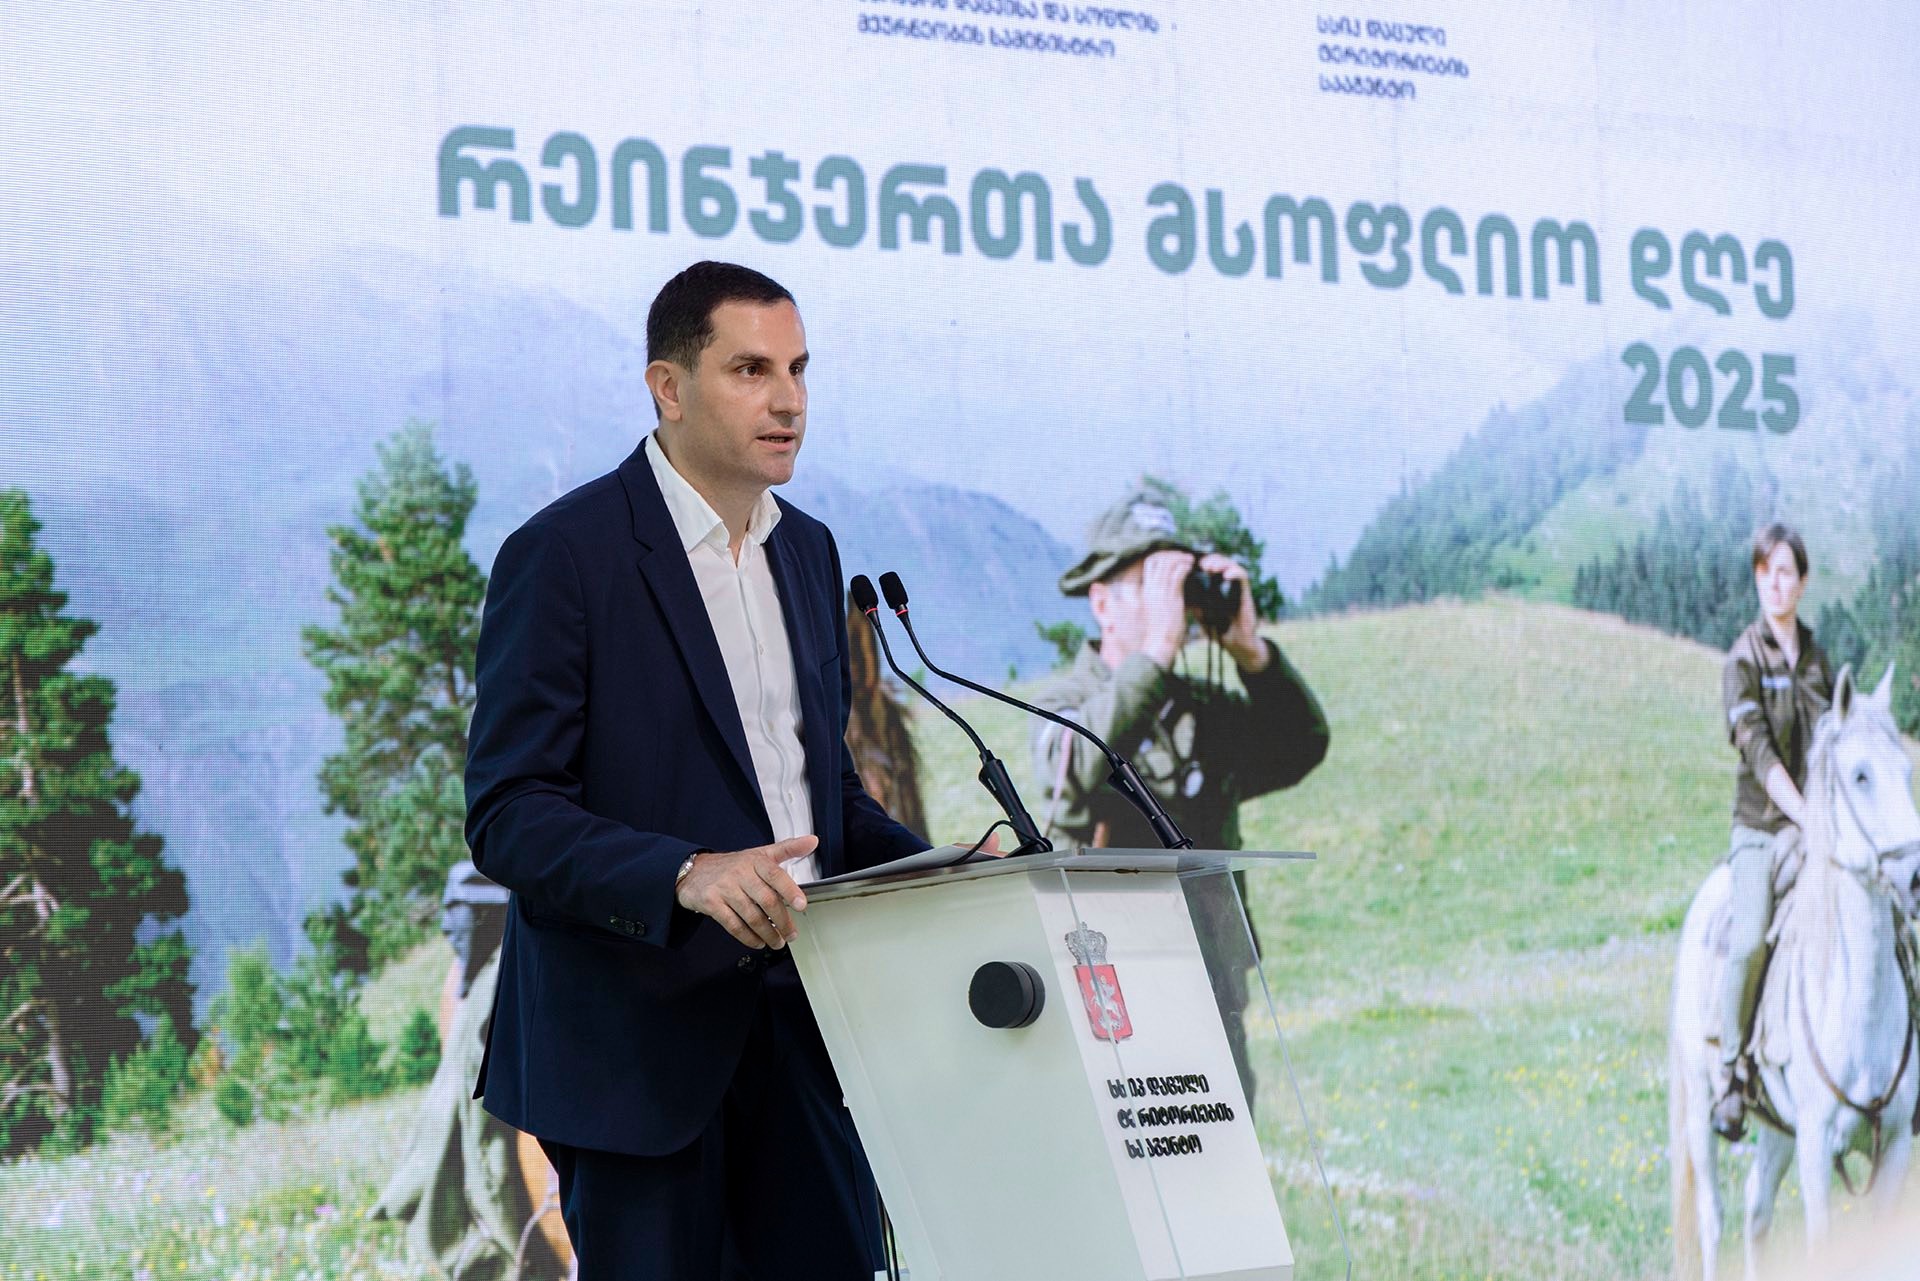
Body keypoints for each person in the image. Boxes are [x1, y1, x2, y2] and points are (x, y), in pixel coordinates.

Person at [464, 261, 937, 1279]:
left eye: (800, 369)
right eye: (751, 369)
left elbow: (821, 794)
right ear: (668, 388)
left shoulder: (808, 552)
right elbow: (510, 811)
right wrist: (685, 873)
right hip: (637, 1057)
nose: (789, 400)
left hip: (806, 1033)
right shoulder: (565, 555)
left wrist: (952, 868)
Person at [1028, 488, 1329, 1096]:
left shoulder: (1202, 709)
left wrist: (1252, 653)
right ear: (1102, 603)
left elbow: (1299, 748)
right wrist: (1156, 651)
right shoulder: (1064, 704)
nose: (1174, 603)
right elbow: (1074, 769)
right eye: (1153, 583)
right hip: (1110, 989)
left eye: (1179, 584)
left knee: (1223, 1150)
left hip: (1210, 979)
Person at [1712, 522, 1834, 1141]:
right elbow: (1758, 753)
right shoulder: (1742, 659)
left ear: (1803, 582)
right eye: (1765, 572)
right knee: (1750, 938)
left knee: (1886, 916)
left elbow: (1833, 740)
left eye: (1785, 572)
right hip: (1761, 827)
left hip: (1818, 826)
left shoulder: (1816, 656)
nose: (1775, 583)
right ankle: (1730, 1070)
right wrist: (1806, 814)